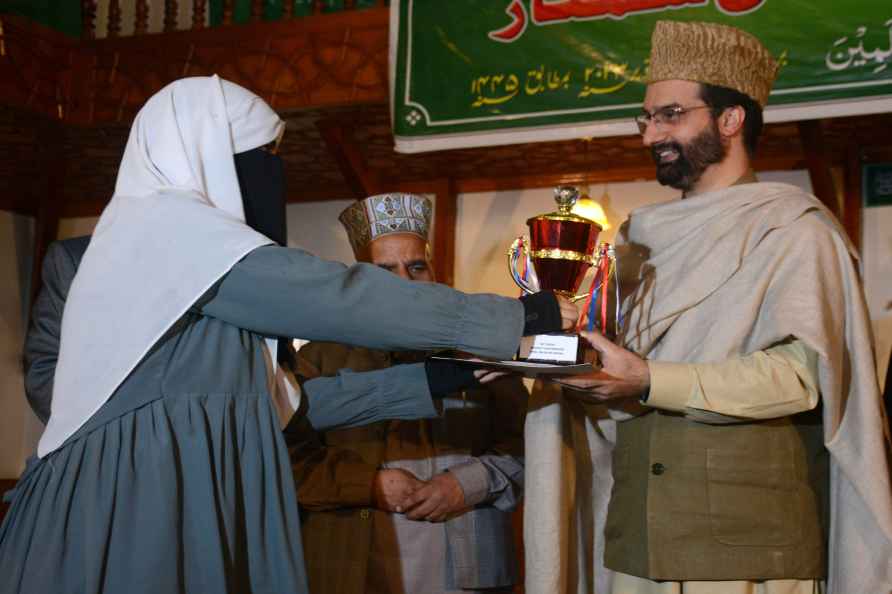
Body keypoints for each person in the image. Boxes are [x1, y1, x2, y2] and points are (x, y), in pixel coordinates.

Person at [0, 75, 576, 594]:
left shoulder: (189, 262)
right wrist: (517, 318)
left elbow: (289, 407)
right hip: (120, 506)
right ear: (209, 152)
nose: (270, 175)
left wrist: (439, 375)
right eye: (260, 157)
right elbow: (336, 295)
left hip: (170, 498)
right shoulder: (164, 229)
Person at [533, 20, 892, 594]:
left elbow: (800, 379)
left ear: (731, 120)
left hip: (746, 550)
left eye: (671, 115)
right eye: (646, 118)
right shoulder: (634, 244)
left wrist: (648, 379)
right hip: (636, 539)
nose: (650, 134)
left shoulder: (795, 232)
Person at [290, 193, 526, 594]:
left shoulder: (481, 353)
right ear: (359, 281)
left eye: (416, 266)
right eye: (385, 270)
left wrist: (467, 483)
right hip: (350, 567)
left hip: (468, 568)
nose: (404, 283)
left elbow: (531, 446)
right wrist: (368, 484)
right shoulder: (317, 359)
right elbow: (286, 465)